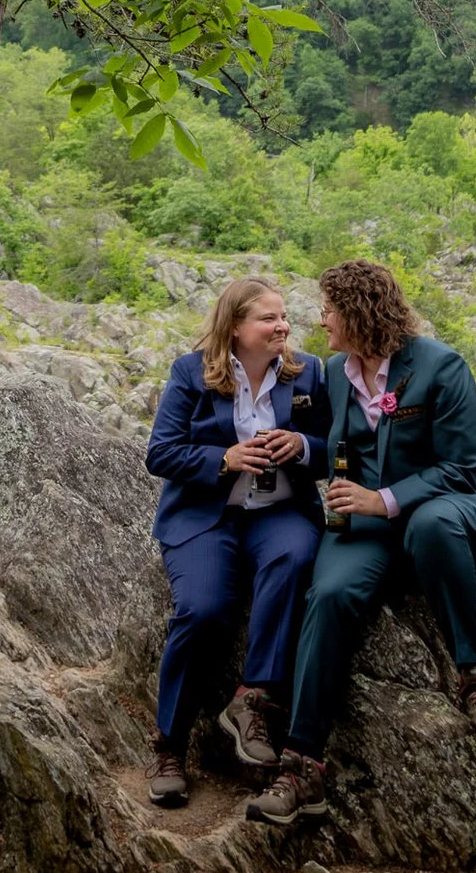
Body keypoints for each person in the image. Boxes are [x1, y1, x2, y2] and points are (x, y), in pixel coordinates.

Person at [248, 258, 476, 826]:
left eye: (327, 310)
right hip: (368, 526)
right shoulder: (332, 372)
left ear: (357, 311)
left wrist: (385, 499)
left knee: (431, 523)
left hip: (454, 509)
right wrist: (312, 462)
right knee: (328, 596)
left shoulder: (442, 367)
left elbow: (463, 466)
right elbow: (332, 446)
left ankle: (475, 679)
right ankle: (303, 765)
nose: (320, 321)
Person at [142, 276, 333, 807]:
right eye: (269, 319)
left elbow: (333, 446)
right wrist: (222, 460)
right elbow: (160, 453)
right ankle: (169, 745)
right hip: (209, 514)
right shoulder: (191, 372)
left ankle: (254, 700)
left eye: (285, 316)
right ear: (236, 327)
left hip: (280, 511)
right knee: (203, 610)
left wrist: (300, 445)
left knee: (296, 558)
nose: (284, 326)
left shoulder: (308, 372)